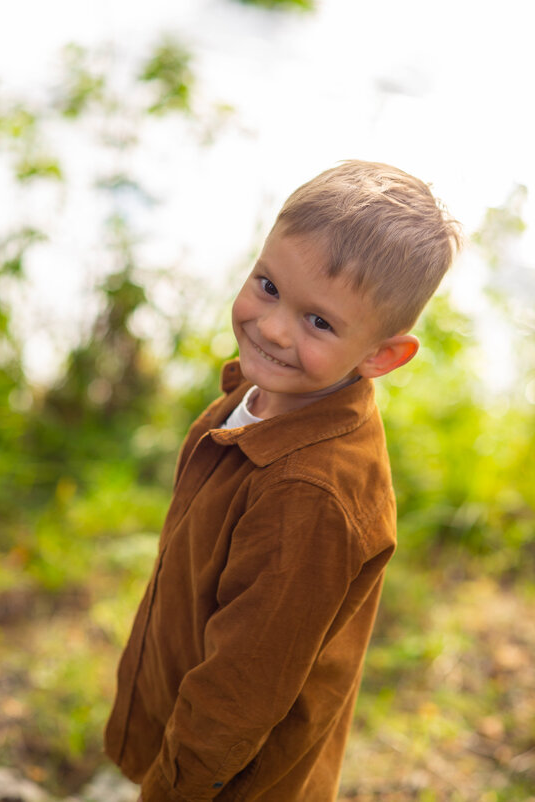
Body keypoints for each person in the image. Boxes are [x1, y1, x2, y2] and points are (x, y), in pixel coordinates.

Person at [104, 160, 462, 802]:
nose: (271, 327)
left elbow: (239, 694)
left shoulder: (311, 497)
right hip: (183, 724)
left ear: (382, 355)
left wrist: (173, 788)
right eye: (267, 285)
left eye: (318, 322)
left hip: (224, 779)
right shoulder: (259, 395)